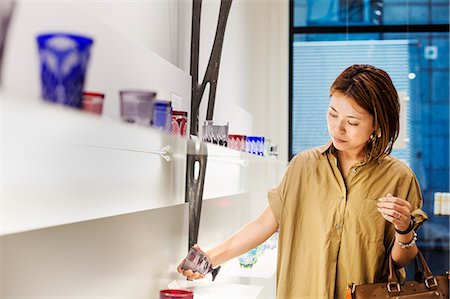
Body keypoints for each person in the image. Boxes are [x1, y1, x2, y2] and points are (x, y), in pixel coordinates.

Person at [177, 64, 428, 298]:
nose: (338, 128)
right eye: (332, 114)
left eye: (352, 122)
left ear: (377, 125)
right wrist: (211, 257)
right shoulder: (303, 165)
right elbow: (264, 224)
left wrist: (404, 228)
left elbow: (400, 260)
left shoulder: (399, 177)